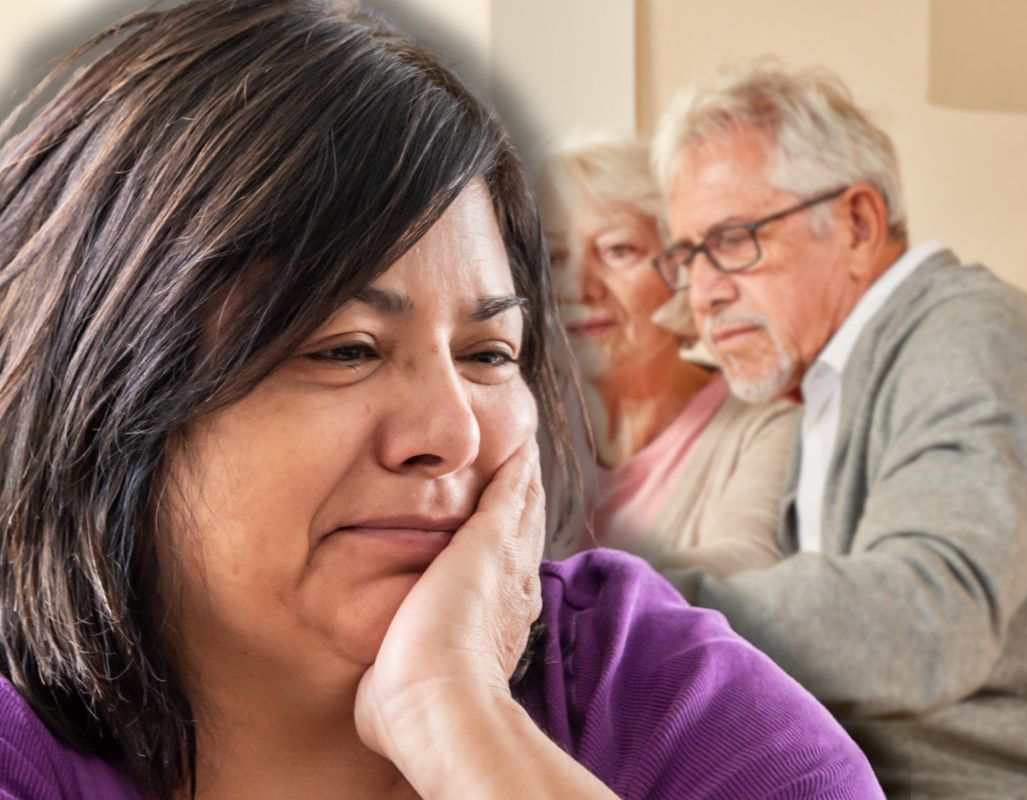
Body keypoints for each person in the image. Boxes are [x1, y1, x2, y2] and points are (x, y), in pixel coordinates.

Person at [0, 4, 885, 799]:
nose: (453, 433)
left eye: (488, 354)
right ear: (106, 388)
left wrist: (456, 718)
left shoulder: (663, 693)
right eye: (345, 350)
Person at [650, 64, 1027, 797]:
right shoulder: (826, 386)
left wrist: (633, 613)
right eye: (687, 256)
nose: (705, 290)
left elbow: (920, 626)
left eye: (734, 240)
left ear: (858, 223)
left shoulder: (974, 341)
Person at [540, 137, 799, 573]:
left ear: (682, 268)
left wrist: (545, 596)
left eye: (616, 250)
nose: (578, 288)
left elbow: (747, 565)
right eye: (556, 257)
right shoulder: (529, 423)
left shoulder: (767, 428)